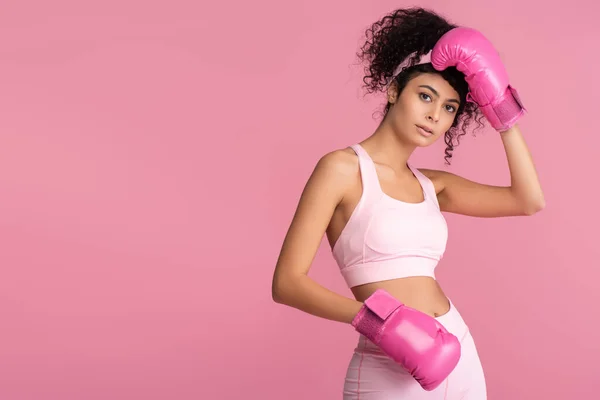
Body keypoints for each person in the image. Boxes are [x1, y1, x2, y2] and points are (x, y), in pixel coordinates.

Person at [271, 7, 544, 400]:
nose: (434, 115)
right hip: (389, 364)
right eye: (425, 96)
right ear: (395, 91)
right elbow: (287, 284)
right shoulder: (343, 169)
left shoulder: (434, 185)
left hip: (458, 353)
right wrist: (379, 322)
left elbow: (529, 200)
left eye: (449, 107)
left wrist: (500, 107)